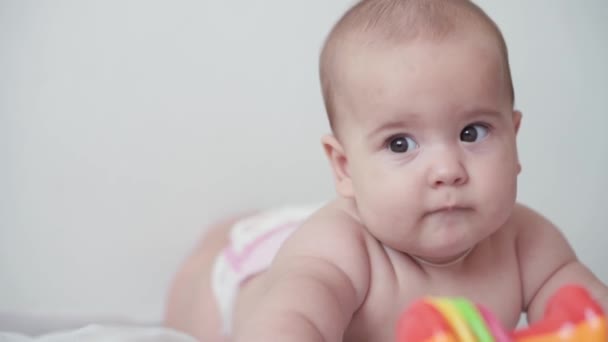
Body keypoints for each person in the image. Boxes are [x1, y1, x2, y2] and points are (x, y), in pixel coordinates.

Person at [164, 1, 608, 341]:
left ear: (514, 140)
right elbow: (288, 320)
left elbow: (591, 310)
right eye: (401, 144)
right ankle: (222, 241)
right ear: (345, 167)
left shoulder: (527, 242)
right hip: (261, 268)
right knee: (197, 302)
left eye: (472, 133)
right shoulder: (338, 250)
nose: (447, 170)